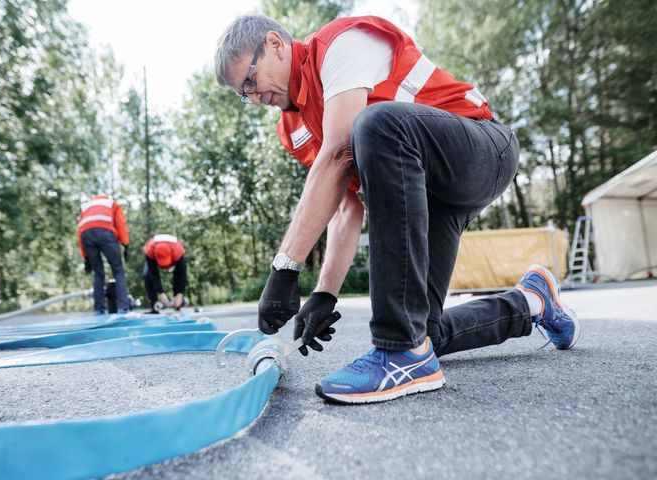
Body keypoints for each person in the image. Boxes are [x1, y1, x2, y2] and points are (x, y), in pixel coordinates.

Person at [214, 15, 580, 404]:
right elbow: (344, 207)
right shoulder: (292, 128)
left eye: (250, 81)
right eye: (243, 94)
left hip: (483, 150)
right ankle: (532, 302)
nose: (253, 98)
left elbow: (339, 151)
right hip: (429, 196)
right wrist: (324, 294)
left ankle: (398, 353)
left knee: (377, 122)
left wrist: (285, 268)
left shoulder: (339, 45)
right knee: (424, 331)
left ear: (275, 44)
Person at [77, 194, 131, 314]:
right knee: (118, 270)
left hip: (87, 236)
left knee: (98, 273)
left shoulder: (86, 207)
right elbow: (121, 224)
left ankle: (98, 309)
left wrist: (85, 256)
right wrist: (126, 244)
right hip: (106, 232)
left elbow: (80, 231)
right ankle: (123, 307)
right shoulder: (112, 204)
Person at [142, 234, 188, 314]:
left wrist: (180, 293)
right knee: (147, 275)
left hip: (174, 254)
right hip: (152, 255)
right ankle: (154, 306)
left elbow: (182, 274)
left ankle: (177, 303)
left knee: (178, 274)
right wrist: (161, 293)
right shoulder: (150, 250)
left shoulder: (177, 251)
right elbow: (154, 274)